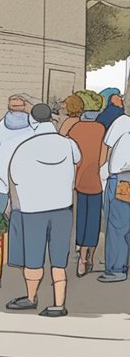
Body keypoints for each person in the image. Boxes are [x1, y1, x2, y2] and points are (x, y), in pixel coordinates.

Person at [4, 104, 78, 317]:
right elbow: (78, 160)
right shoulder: (68, 144)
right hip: (62, 207)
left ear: (32, 121)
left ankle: (30, 297)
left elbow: (15, 178)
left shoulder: (24, 147)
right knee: (58, 258)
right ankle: (59, 303)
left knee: (33, 257)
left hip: (33, 209)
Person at [65, 92, 106, 278]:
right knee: (93, 219)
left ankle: (82, 257)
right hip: (96, 180)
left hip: (78, 181)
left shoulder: (75, 129)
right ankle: (88, 252)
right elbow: (104, 157)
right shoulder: (101, 129)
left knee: (80, 217)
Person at [0, 95, 38, 223]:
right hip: (26, 186)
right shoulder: (34, 128)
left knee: (1, 225)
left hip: (0, 186)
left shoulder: (1, 126)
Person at [101, 89, 130, 284]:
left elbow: (106, 147)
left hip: (122, 179)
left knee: (118, 225)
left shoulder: (122, 122)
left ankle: (117, 270)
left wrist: (101, 170)